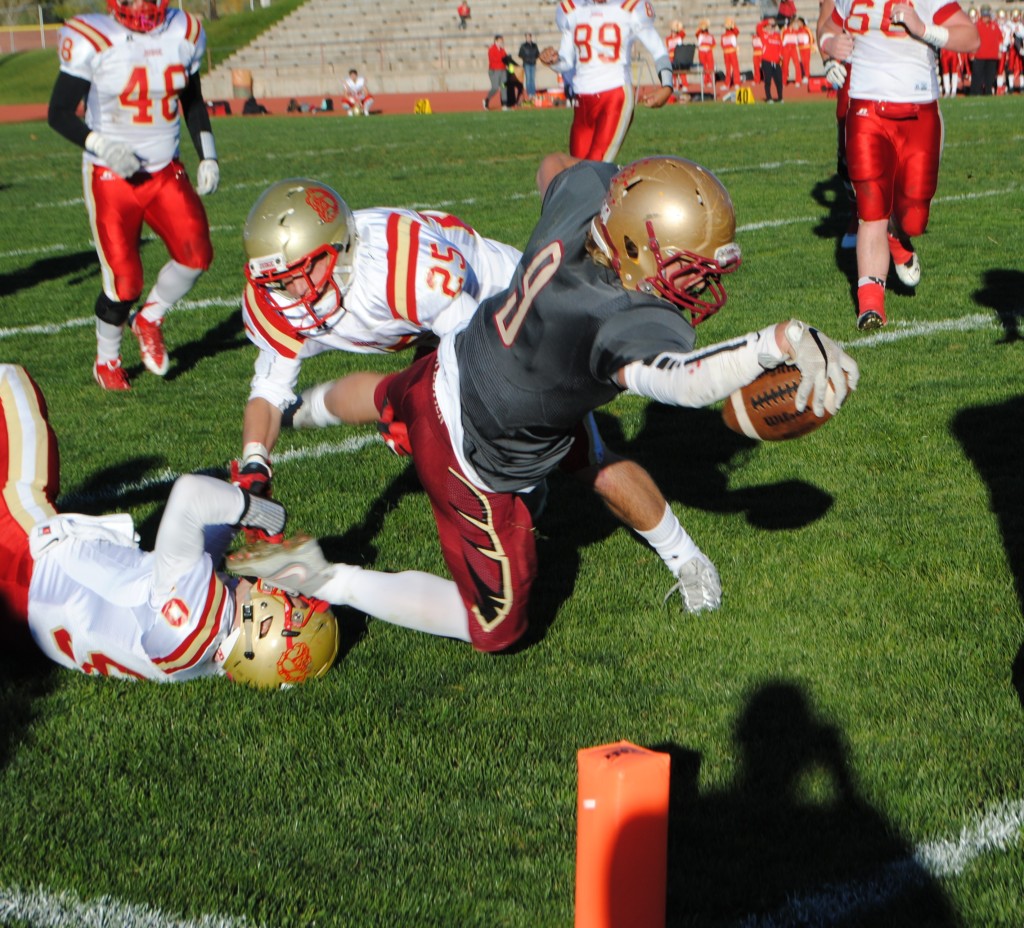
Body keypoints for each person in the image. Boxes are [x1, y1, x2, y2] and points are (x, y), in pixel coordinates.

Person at [229, 154, 859, 654]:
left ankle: (306, 409)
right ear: (635, 248)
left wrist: (623, 185)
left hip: (465, 358)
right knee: (496, 627)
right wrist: (781, 340)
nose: (701, 286)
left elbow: (562, 170)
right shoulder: (605, 323)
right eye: (689, 269)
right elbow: (686, 384)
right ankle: (321, 576)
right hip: (477, 448)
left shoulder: (588, 202)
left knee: (400, 398)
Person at [236, 179, 715, 604]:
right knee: (405, 420)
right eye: (279, 281)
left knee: (584, 458)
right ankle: (323, 413)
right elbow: (268, 386)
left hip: (509, 317)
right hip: (436, 332)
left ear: (338, 247)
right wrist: (255, 465)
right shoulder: (287, 296)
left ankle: (687, 560)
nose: (292, 292)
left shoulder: (404, 271)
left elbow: (479, 363)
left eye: (301, 274)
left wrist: (431, 418)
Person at [0, 364, 337, 688]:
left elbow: (189, 495)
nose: (295, 593)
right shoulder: (201, 654)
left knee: (10, 382)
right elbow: (192, 563)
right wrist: (233, 517)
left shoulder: (197, 618)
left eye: (299, 605)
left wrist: (253, 508)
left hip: (24, 557)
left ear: (266, 628)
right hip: (21, 622)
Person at [47, 0, 219, 391]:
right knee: (124, 282)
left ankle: (150, 318)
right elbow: (58, 113)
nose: (142, 7)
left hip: (164, 170)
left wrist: (207, 154)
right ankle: (107, 360)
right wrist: (102, 146)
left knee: (197, 255)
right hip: (111, 176)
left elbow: (191, 99)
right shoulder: (93, 36)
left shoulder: (185, 30)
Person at [818, 0, 979, 329]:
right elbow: (827, 27)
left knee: (913, 218)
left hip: (918, 112)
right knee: (872, 209)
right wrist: (828, 46)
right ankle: (871, 305)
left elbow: (971, 38)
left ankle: (897, 235)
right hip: (866, 109)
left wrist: (924, 30)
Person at [539, 0, 674, 162]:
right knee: (577, 171)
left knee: (595, 166)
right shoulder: (573, 9)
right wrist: (553, 61)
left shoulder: (630, 7)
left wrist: (667, 86)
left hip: (614, 93)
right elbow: (566, 61)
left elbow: (658, 50)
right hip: (582, 100)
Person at [971, 5, 1001, 94]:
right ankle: (976, 92)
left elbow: (1000, 39)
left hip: (992, 55)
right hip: (979, 55)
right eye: (984, 16)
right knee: (977, 76)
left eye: (987, 16)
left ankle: (988, 92)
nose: (985, 18)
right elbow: (972, 40)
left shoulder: (994, 26)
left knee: (990, 76)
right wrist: (971, 53)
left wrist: (999, 51)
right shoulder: (976, 26)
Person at [760, 18, 784, 101]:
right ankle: (769, 97)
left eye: (773, 26)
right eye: (769, 26)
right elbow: (758, 27)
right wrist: (767, 21)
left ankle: (780, 97)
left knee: (779, 80)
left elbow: (780, 46)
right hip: (766, 61)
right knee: (768, 80)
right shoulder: (763, 34)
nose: (771, 28)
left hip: (776, 62)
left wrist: (780, 55)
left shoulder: (777, 36)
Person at [484, 35, 507, 109]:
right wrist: (503, 59)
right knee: (495, 87)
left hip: (503, 70)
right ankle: (487, 99)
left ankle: (504, 104)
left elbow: (505, 58)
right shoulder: (491, 49)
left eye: (502, 41)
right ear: (496, 41)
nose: (501, 42)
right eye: (500, 41)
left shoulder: (502, 50)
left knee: (504, 87)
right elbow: (493, 60)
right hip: (495, 70)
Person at [696, 19, 718, 92]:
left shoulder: (710, 35)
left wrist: (708, 48)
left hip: (708, 51)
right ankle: (705, 81)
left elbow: (714, 44)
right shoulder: (700, 35)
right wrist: (700, 27)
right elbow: (697, 35)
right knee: (703, 66)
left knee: (710, 66)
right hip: (701, 52)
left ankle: (711, 81)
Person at [721, 17, 743, 89]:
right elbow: (722, 44)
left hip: (732, 52)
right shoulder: (723, 35)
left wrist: (733, 25)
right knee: (727, 69)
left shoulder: (733, 33)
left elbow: (737, 31)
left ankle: (737, 82)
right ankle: (727, 83)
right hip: (726, 53)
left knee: (735, 67)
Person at [518, 32, 541, 100]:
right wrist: (525, 58)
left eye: (529, 37)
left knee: (532, 79)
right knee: (528, 79)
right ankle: (529, 93)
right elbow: (520, 54)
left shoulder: (534, 45)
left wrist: (534, 58)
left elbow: (537, 54)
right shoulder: (523, 46)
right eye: (527, 37)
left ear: (531, 37)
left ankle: (533, 93)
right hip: (527, 64)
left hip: (533, 63)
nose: (528, 38)